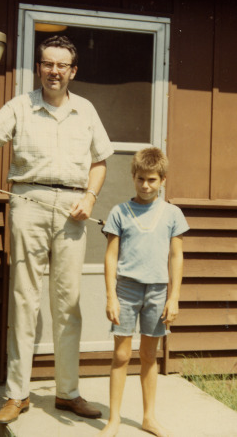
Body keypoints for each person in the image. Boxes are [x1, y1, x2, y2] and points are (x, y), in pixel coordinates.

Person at [0, 35, 114, 424]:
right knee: (24, 298)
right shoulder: (20, 107)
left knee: (68, 303)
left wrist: (91, 198)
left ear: (73, 71)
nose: (54, 71)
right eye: (48, 63)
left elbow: (100, 160)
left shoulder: (86, 110)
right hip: (27, 204)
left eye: (62, 65)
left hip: (72, 210)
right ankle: (17, 393)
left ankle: (68, 392)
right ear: (39, 67)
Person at [98, 148, 189, 437]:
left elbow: (176, 257)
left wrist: (173, 297)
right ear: (133, 177)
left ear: (162, 180)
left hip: (158, 292)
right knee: (122, 355)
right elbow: (111, 256)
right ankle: (114, 419)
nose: (146, 186)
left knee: (150, 355)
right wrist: (111, 295)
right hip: (126, 289)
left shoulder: (172, 213)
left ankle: (149, 417)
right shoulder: (119, 212)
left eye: (152, 180)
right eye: (140, 179)